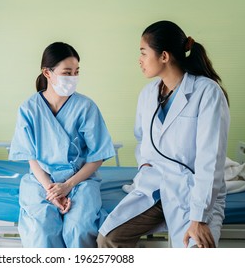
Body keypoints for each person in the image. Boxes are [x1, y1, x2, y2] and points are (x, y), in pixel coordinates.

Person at [97, 20, 230, 248]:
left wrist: (199, 218)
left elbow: (211, 159)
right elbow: (142, 139)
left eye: (143, 53)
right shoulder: (148, 94)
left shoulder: (207, 93)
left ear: (164, 56)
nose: (139, 60)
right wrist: (144, 165)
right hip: (156, 185)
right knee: (109, 238)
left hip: (193, 191)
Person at [9, 42, 115, 248]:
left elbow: (97, 155)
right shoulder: (29, 109)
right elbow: (31, 157)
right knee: (42, 229)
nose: (73, 78)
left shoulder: (86, 107)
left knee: (79, 228)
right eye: (67, 72)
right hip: (42, 181)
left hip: (80, 180)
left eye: (76, 72)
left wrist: (68, 186)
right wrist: (52, 191)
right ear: (47, 73)